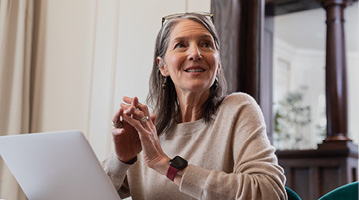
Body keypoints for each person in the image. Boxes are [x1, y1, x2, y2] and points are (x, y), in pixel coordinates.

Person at [102, 12, 287, 200]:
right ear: (162, 66)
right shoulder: (148, 130)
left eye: (206, 44)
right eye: (181, 45)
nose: (195, 53)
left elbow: (270, 193)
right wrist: (121, 160)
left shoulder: (238, 109)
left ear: (218, 64)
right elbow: (84, 192)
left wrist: (166, 165)